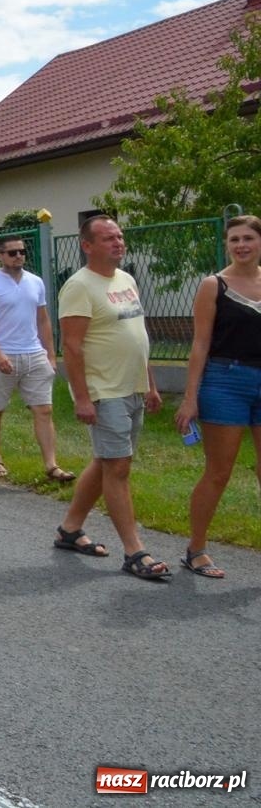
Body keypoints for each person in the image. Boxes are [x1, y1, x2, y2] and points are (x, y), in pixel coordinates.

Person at [53, 216, 169, 580]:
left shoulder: (126, 279)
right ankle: (135, 551)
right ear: (87, 246)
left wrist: (149, 383)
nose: (118, 242)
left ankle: (70, 530)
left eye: (119, 236)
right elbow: (71, 347)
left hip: (131, 386)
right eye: (107, 238)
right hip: (104, 391)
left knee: (106, 461)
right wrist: (82, 398)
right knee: (118, 468)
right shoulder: (79, 286)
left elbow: (138, 335)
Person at [175, 214, 261, 580]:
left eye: (248, 239)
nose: (241, 245)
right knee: (219, 472)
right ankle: (196, 549)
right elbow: (200, 343)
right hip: (225, 382)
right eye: (234, 239)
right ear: (227, 244)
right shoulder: (214, 285)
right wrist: (190, 397)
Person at [0, 236, 70, 482]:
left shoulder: (35, 282)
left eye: (22, 251)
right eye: (12, 252)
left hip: (34, 354)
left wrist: (50, 355)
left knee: (44, 410)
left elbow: (43, 319)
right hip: (2, 356)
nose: (18, 256)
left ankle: (51, 465)